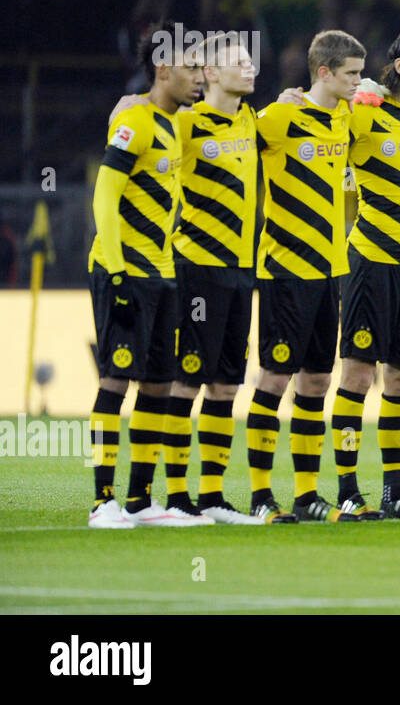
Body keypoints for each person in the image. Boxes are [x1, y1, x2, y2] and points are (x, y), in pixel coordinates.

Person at [109, 32, 264, 524]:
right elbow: (134, 126)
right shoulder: (184, 122)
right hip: (195, 267)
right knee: (185, 381)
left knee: (224, 386)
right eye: (238, 62)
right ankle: (173, 495)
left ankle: (212, 496)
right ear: (211, 73)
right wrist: (126, 106)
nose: (251, 68)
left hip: (243, 271)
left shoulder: (252, 120)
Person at [87, 23, 207, 528]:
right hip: (125, 269)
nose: (201, 77)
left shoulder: (173, 124)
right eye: (192, 68)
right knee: (116, 378)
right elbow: (104, 195)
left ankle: (139, 500)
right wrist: (116, 274)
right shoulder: (134, 119)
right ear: (163, 69)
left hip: (163, 272)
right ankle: (102, 500)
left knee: (158, 383)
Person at [248, 30, 363, 523]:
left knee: (315, 382)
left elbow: (389, 94)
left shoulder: (344, 116)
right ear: (324, 73)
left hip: (330, 271)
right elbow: (227, 139)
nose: (360, 82)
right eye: (352, 73)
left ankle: (307, 495)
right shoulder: (280, 117)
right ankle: (257, 496)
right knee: (274, 379)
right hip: (284, 270)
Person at [333, 29, 400, 520]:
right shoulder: (363, 107)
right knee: (358, 373)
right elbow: (319, 119)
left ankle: (394, 491)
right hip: (369, 258)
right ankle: (347, 489)